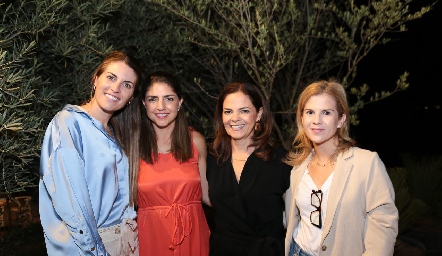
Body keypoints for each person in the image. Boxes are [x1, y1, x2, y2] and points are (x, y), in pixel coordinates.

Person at [39, 51, 142, 255]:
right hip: (91, 245)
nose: (116, 88)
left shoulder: (117, 134)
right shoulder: (68, 123)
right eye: (111, 77)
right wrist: (96, 251)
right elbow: (72, 205)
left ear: (131, 98)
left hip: (126, 242)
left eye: (127, 85)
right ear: (95, 79)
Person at [284, 81, 398, 256]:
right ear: (302, 118)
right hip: (297, 251)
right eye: (310, 112)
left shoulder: (366, 163)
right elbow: (293, 217)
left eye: (326, 113)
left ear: (341, 119)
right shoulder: (298, 166)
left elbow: (383, 223)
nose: (316, 120)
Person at [206, 82, 292, 256]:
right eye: (228, 111)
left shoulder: (279, 159)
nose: (234, 118)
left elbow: (293, 216)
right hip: (222, 250)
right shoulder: (212, 157)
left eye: (244, 110)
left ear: (259, 114)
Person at [135, 71, 210, 255]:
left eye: (169, 98)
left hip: (193, 234)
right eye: (153, 99)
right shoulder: (133, 147)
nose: (161, 106)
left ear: (180, 102)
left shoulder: (195, 141)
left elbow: (208, 195)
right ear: (144, 104)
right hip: (151, 237)